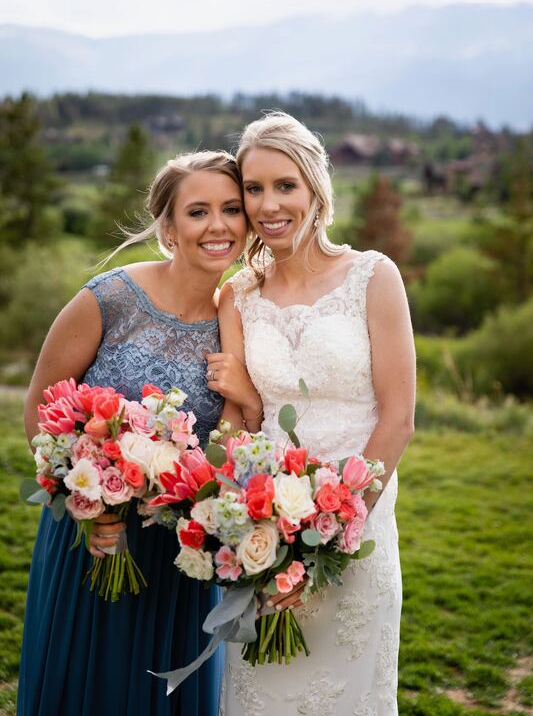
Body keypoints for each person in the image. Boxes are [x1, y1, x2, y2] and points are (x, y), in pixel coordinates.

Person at [17, 150, 257, 716]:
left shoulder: (240, 313)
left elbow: (230, 446)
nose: (218, 225)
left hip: (180, 554)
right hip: (91, 539)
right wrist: (89, 502)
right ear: (168, 227)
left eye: (231, 209)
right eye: (198, 211)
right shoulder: (110, 298)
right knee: (82, 685)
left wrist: (243, 395)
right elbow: (38, 412)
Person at [207, 113, 416, 716]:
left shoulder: (373, 277)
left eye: (284, 185)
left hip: (355, 529)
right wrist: (258, 535)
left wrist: (329, 537)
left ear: (315, 188)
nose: (268, 204)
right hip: (261, 528)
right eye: (253, 188)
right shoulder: (237, 294)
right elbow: (234, 427)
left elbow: (398, 417)